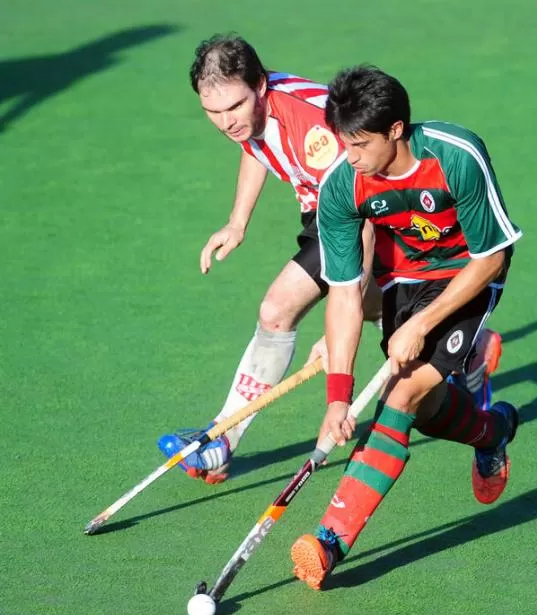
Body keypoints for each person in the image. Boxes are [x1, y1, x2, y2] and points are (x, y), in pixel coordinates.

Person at [156, 36, 500, 485]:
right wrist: (237, 221)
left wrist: (341, 322)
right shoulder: (248, 115)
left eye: (234, 108)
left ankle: (222, 440)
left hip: (360, 215)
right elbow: (256, 147)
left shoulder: (311, 126)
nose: (225, 122)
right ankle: (469, 345)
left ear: (260, 86)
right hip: (318, 209)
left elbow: (365, 206)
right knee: (379, 306)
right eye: (213, 112)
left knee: (277, 309)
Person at [287, 65, 522, 591]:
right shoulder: (342, 185)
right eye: (344, 143)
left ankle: (329, 541)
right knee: (430, 411)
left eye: (360, 144)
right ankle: (493, 429)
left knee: (401, 396)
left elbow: (491, 256)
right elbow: (346, 293)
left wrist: (422, 324)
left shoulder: (455, 156)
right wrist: (336, 398)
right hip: (401, 280)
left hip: (467, 273)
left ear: (395, 130)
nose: (350, 158)